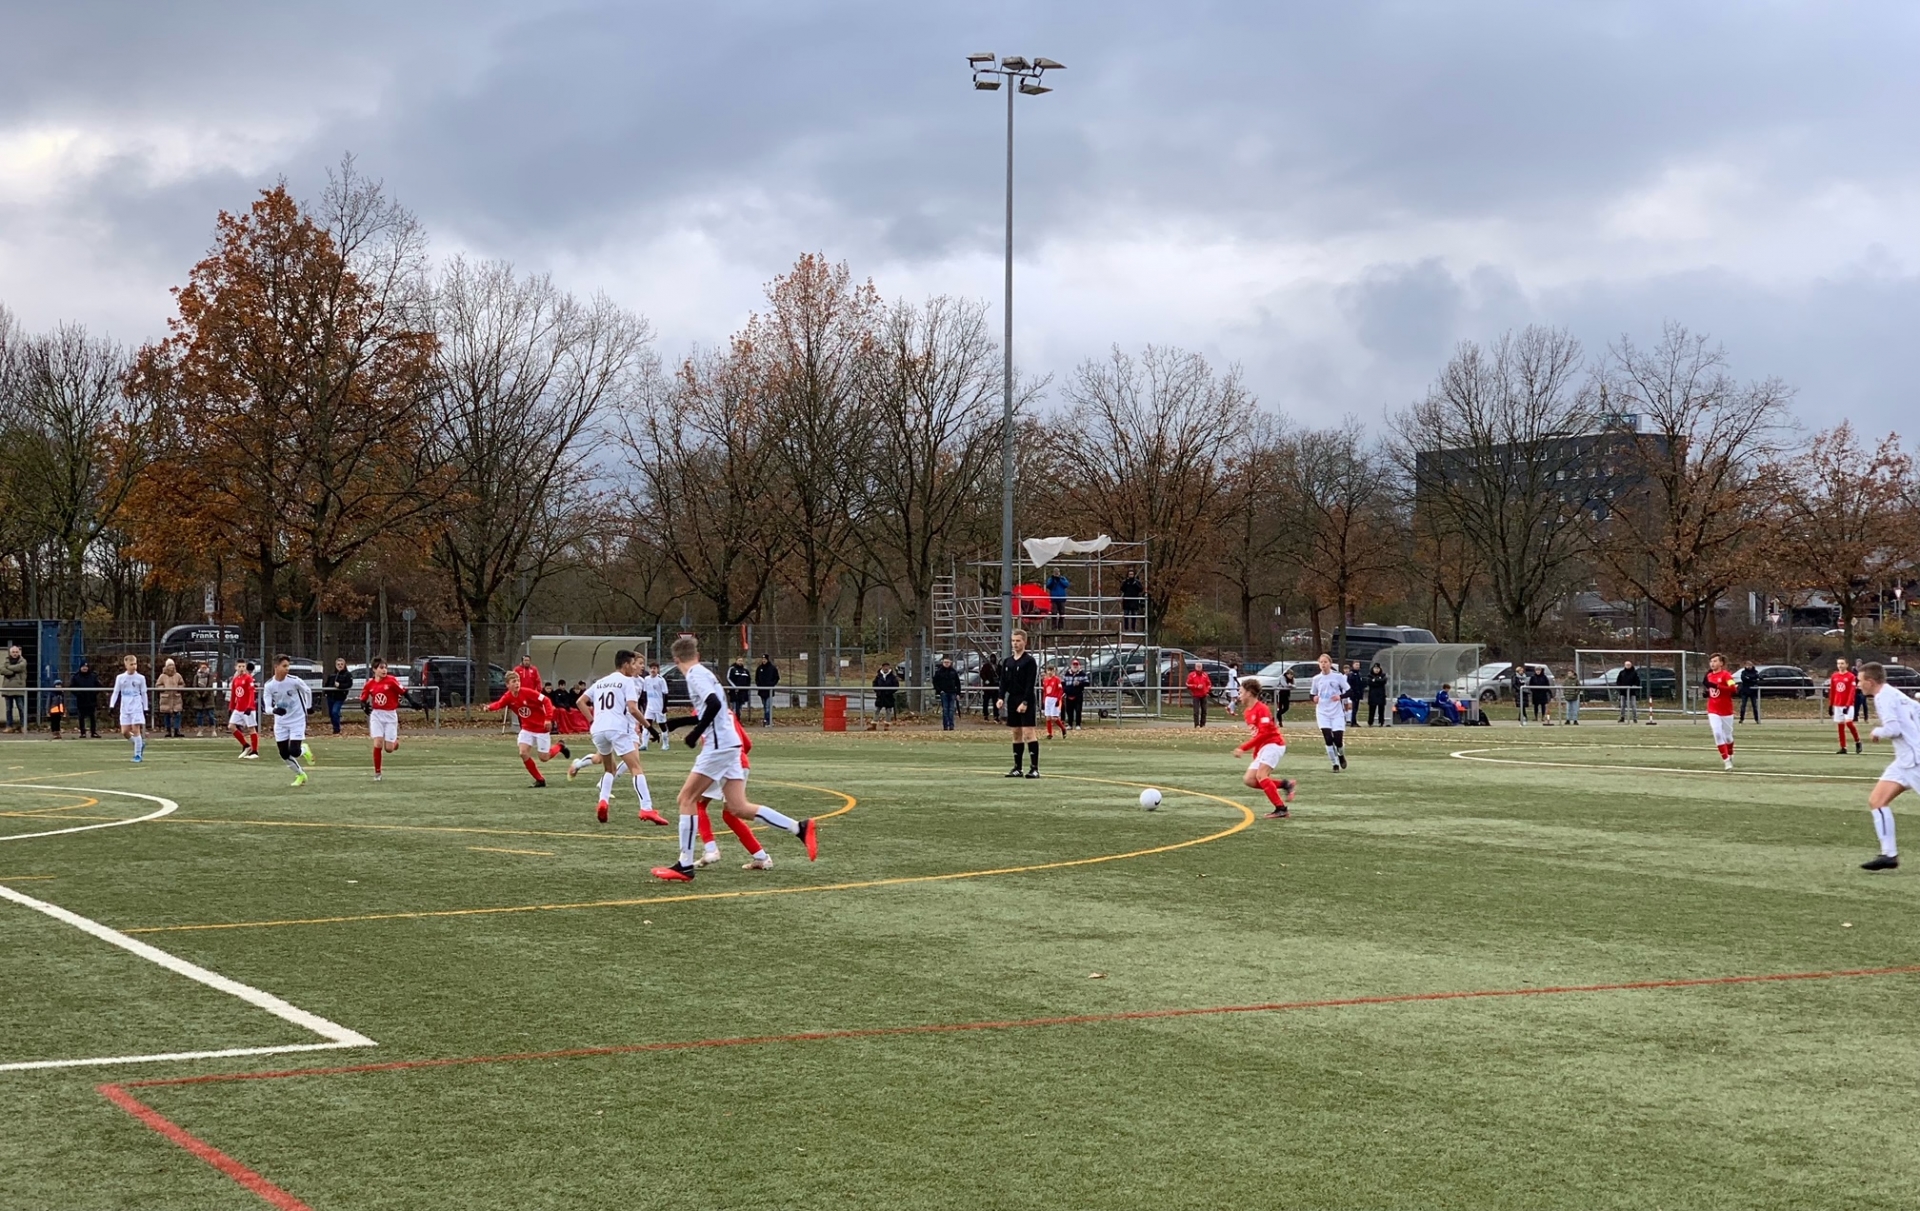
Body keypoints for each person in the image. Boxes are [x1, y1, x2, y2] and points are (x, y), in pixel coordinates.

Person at [651, 633, 818, 882]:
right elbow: (714, 709)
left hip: (718, 747)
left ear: (676, 660)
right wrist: (679, 723)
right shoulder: (706, 673)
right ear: (697, 655)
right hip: (732, 746)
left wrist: (695, 733)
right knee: (738, 807)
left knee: (686, 798)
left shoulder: (695, 675)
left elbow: (714, 705)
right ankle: (799, 828)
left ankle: (684, 865)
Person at [566, 650, 663, 825]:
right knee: (636, 768)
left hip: (598, 730)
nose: (635, 667)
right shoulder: (627, 681)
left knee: (609, 768)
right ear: (625, 665)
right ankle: (647, 808)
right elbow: (633, 709)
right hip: (617, 728)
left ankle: (603, 801)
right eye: (633, 664)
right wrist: (650, 728)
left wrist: (592, 720)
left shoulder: (601, 682)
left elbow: (580, 701)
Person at [1858, 661, 1920, 870]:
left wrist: (1877, 731)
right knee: (1877, 800)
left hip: (1915, 760)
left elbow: (1893, 729)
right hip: (1904, 761)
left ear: (1870, 681)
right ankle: (1888, 855)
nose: (1858, 684)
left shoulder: (1883, 697)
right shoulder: (1895, 694)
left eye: (1860, 680)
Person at [485, 671, 572, 787]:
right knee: (523, 753)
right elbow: (499, 704)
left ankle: (560, 746)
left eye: (518, 681)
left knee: (544, 758)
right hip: (527, 729)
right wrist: (489, 707)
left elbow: (546, 700)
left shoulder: (528, 692)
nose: (517, 683)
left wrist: (548, 719)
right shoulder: (508, 697)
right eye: (514, 681)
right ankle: (540, 780)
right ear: (507, 685)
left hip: (541, 728)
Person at [1236, 676, 1296, 820]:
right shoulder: (1247, 712)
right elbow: (1258, 736)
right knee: (1249, 780)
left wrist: (1243, 748)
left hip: (1274, 744)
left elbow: (1265, 734)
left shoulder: (1262, 709)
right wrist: (1256, 754)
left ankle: (1281, 809)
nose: (1239, 695)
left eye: (1241, 692)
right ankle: (1285, 784)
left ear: (1249, 693)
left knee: (1261, 776)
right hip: (1264, 747)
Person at [262, 655, 315, 786]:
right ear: (276, 667)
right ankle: (300, 774)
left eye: (288, 666)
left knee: (295, 751)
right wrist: (274, 711)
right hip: (281, 722)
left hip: (297, 719)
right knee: (284, 753)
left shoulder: (294, 681)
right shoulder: (269, 685)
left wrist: (308, 707)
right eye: (284, 666)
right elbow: (267, 708)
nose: (287, 669)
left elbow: (307, 691)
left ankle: (304, 749)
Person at [359, 657, 406, 780]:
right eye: (381, 668)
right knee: (378, 742)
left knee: (389, 749)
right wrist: (364, 706)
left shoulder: (391, 680)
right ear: (374, 670)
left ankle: (394, 743)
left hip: (390, 715)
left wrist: (413, 702)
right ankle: (377, 773)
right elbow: (363, 698)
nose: (384, 670)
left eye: (385, 667)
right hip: (377, 715)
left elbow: (403, 691)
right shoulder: (370, 684)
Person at [1001, 630, 1040, 777]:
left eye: (1018, 641)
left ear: (1024, 642)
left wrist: (1025, 702)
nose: (1015, 644)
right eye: (1013, 641)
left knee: (1028, 732)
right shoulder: (1007, 662)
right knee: (1016, 732)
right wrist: (1000, 697)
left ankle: (1034, 768)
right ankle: (1018, 768)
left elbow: (1030, 684)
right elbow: (1003, 682)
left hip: (1025, 699)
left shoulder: (1029, 661)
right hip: (1013, 699)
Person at [1310, 653, 1350, 772]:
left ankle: (1341, 755)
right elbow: (1312, 694)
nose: (1323, 664)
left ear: (1330, 663)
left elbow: (1349, 691)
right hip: (1322, 712)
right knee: (1328, 738)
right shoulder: (1316, 679)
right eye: (1321, 662)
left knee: (1338, 739)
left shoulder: (1338, 677)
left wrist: (1340, 696)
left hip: (1336, 712)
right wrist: (1314, 698)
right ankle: (1334, 764)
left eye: (1325, 662)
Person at [108, 654, 149, 763]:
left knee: (136, 730)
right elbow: (116, 692)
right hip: (125, 707)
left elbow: (144, 693)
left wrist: (146, 708)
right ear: (126, 665)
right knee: (125, 731)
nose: (134, 666)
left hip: (136, 706)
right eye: (131, 664)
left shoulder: (140, 678)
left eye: (135, 664)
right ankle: (139, 744)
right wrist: (112, 705)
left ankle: (137, 755)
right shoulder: (120, 678)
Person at [1704, 652, 1738, 771]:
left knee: (1728, 737)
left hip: (1726, 710)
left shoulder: (1726, 675)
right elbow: (1711, 690)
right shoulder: (1709, 676)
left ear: (1721, 663)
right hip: (1713, 709)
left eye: (1715, 661)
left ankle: (1730, 753)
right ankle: (1726, 760)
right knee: (1717, 733)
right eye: (1711, 661)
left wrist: (1717, 686)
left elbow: (1733, 689)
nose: (1712, 664)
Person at [1829, 657, 1862, 755]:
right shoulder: (1834, 676)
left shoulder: (1851, 676)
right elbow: (1833, 691)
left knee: (1849, 723)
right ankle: (1843, 747)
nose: (1840, 665)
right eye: (1838, 663)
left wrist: (1848, 705)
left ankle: (1857, 741)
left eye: (1842, 663)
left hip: (1848, 704)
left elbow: (1852, 692)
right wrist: (1831, 705)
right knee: (1840, 726)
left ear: (1847, 665)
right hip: (1837, 704)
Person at [228, 660, 260, 759]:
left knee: (251, 728)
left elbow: (251, 693)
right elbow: (234, 694)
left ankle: (255, 751)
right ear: (236, 668)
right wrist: (231, 707)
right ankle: (246, 745)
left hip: (248, 708)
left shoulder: (248, 678)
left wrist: (250, 706)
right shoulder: (235, 680)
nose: (241, 668)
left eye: (243, 666)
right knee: (231, 726)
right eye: (239, 666)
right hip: (238, 708)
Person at [637, 662, 669, 752]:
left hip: (659, 707)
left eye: (654, 668)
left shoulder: (661, 680)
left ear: (657, 670)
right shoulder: (646, 679)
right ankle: (644, 744)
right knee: (646, 725)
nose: (652, 670)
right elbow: (645, 693)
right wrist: (645, 705)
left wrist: (664, 707)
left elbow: (665, 694)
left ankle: (665, 744)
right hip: (650, 707)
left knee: (662, 725)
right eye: (651, 668)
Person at [155, 658, 186, 738]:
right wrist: (164, 689)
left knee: (177, 714)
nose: (171, 667)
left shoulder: (178, 675)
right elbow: (158, 685)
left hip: (176, 698)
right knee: (167, 715)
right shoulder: (162, 676)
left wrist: (178, 689)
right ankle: (168, 731)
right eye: (170, 665)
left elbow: (182, 684)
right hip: (166, 698)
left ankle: (176, 730)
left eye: (172, 665)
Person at [71, 660, 101, 738]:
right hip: (81, 701)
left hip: (91, 700)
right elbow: (72, 688)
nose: (85, 668)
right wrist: (78, 694)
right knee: (81, 717)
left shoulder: (93, 676)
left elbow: (99, 686)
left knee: (92, 717)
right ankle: (83, 733)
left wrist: (94, 693)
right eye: (83, 667)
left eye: (86, 667)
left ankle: (93, 732)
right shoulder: (76, 677)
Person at [323, 657, 353, 735]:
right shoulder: (332, 675)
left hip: (340, 697)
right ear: (335, 665)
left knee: (335, 711)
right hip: (330, 697)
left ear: (344, 665)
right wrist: (326, 692)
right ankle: (335, 728)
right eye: (338, 664)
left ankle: (337, 729)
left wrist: (340, 685)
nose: (340, 666)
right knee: (331, 713)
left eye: (341, 664)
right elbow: (327, 684)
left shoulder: (347, 675)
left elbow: (349, 684)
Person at [1, 643, 26, 732]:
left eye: (16, 652)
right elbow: (2, 670)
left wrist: (8, 668)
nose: (15, 653)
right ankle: (9, 726)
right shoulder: (6, 661)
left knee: (21, 708)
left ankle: (23, 726)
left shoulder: (23, 661)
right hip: (7, 688)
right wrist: (11, 672)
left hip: (19, 688)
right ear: (10, 653)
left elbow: (20, 667)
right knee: (8, 709)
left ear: (19, 652)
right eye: (13, 652)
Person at [933, 655, 962, 731]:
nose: (946, 664)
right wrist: (939, 691)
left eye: (947, 662)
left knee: (951, 710)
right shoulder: (939, 672)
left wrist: (958, 693)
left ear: (950, 663)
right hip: (944, 693)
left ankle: (951, 726)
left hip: (952, 693)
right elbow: (935, 682)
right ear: (942, 663)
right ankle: (945, 726)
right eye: (945, 662)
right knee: (945, 710)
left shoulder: (953, 672)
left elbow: (958, 683)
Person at [189, 661, 217, 737]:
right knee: (199, 715)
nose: (203, 668)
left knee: (211, 715)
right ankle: (200, 730)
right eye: (202, 667)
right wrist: (198, 694)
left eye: (205, 667)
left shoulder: (210, 676)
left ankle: (213, 730)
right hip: (198, 698)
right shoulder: (196, 676)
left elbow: (210, 685)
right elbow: (194, 686)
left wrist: (205, 694)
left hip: (209, 698)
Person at [1061, 657, 1088, 731]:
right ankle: (1070, 724)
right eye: (1074, 664)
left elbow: (1087, 683)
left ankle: (1078, 724)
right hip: (1068, 695)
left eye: (1076, 664)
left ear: (1079, 665)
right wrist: (1065, 690)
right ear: (1071, 665)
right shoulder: (1067, 673)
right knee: (1069, 710)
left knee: (1078, 710)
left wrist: (1080, 683)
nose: (1075, 666)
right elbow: (1062, 682)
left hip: (1078, 695)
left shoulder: (1082, 673)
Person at [871, 663, 899, 728]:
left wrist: (889, 692)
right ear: (882, 667)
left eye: (887, 667)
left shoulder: (892, 677)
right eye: (884, 667)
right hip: (880, 696)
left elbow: (896, 686)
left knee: (888, 711)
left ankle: (887, 725)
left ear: (889, 667)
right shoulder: (878, 676)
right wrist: (878, 692)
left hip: (888, 697)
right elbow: (874, 684)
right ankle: (874, 724)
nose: (886, 668)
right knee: (876, 710)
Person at [754, 654, 780, 726]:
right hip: (762, 691)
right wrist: (759, 685)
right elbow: (756, 678)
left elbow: (777, 678)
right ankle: (766, 720)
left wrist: (772, 684)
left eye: (765, 659)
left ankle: (767, 721)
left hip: (769, 691)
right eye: (763, 659)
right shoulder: (759, 668)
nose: (763, 660)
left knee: (768, 707)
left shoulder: (772, 668)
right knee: (765, 706)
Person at [1186, 662, 1213, 728]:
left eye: (1200, 666)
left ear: (1202, 667)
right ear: (1195, 667)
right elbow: (1187, 684)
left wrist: (1207, 690)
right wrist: (1196, 686)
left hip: (1204, 695)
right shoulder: (1192, 675)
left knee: (1204, 710)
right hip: (1196, 695)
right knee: (1196, 711)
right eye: (1197, 666)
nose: (1198, 667)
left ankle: (1203, 724)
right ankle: (1196, 725)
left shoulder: (1205, 675)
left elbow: (1209, 684)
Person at [1042, 665, 1066, 739]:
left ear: (1054, 671)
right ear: (1047, 671)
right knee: (1048, 717)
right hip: (1048, 699)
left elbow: (1060, 690)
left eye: (1052, 670)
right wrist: (1044, 700)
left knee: (1054, 718)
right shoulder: (1045, 680)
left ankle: (1063, 728)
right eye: (1049, 670)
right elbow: (1045, 691)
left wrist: (1058, 699)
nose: (1050, 672)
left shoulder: (1057, 679)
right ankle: (1049, 733)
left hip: (1054, 699)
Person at [1737, 659, 1762, 723]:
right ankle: (1741, 719)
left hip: (1753, 691)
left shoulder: (1755, 672)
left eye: (1750, 665)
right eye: (1747, 665)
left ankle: (1757, 719)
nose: (1749, 667)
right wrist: (1751, 679)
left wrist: (1750, 679)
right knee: (1743, 705)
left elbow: (1757, 679)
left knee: (1755, 706)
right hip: (1745, 691)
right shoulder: (1743, 672)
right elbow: (1744, 679)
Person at [980, 653, 1002, 722]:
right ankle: (985, 715)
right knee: (986, 701)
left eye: (994, 658)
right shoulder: (986, 666)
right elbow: (982, 673)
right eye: (992, 658)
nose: (993, 659)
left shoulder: (998, 667)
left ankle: (996, 716)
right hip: (988, 687)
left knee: (995, 702)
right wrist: (985, 680)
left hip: (995, 686)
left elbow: (1002, 675)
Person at [1366, 662, 1388, 727]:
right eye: (1375, 668)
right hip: (1372, 695)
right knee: (1372, 710)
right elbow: (1370, 682)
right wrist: (1378, 681)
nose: (1376, 670)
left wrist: (1375, 680)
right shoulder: (1370, 675)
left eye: (1378, 668)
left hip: (1381, 695)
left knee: (1381, 710)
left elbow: (1383, 681)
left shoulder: (1383, 675)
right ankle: (1370, 722)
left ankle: (1381, 722)